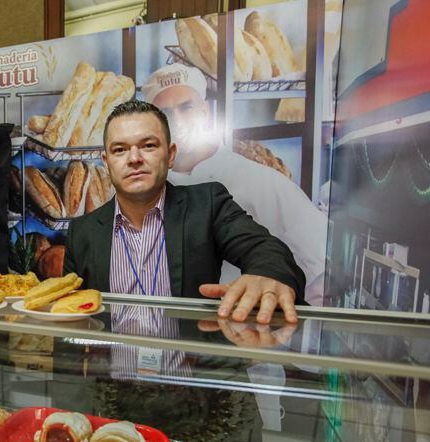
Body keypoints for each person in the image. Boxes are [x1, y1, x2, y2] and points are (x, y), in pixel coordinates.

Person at [63, 99, 305, 324]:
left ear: (170, 155)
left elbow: (264, 248)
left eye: (148, 146)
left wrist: (267, 275)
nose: (134, 158)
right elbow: (69, 317)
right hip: (109, 369)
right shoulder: (81, 232)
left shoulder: (207, 205)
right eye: (119, 150)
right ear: (106, 162)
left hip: (187, 368)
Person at [140, 64, 327, 305]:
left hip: (244, 332)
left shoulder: (262, 183)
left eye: (186, 107)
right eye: (164, 113)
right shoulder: (144, 193)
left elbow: (320, 275)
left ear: (206, 112)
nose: (176, 120)